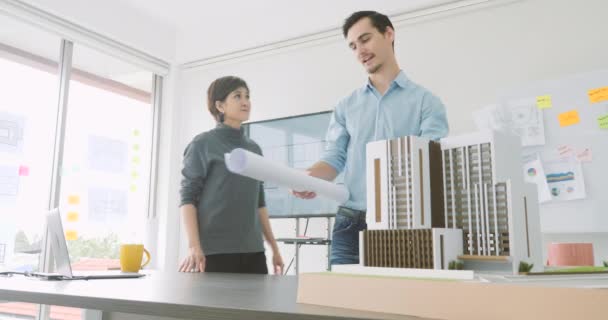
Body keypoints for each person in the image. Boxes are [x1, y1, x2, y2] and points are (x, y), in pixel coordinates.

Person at [293, 11, 449, 265]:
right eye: (353, 46)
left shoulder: (427, 103)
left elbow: (428, 163)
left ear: (389, 34)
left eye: (365, 39)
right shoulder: (346, 106)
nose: (359, 51)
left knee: (395, 302)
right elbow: (334, 158)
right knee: (341, 301)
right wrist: (308, 178)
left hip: (404, 222)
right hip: (351, 222)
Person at [179, 76, 284, 274]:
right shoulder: (202, 144)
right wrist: (194, 246)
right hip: (215, 252)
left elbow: (259, 203)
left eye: (247, 96)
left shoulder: (254, 149)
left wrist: (274, 248)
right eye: (237, 96)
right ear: (220, 105)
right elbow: (187, 198)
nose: (245, 102)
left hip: (254, 252)